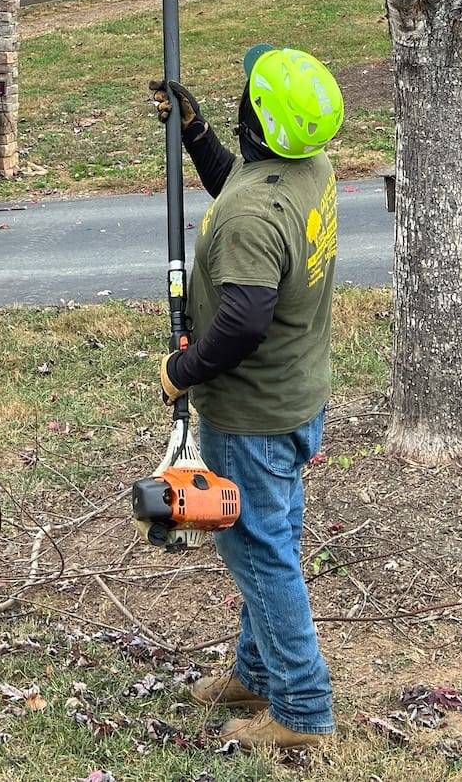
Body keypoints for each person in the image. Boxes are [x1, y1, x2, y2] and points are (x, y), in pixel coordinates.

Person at [150, 42, 345, 753]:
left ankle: (302, 709)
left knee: (260, 555)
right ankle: (254, 673)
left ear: (256, 117)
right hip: (297, 397)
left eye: (245, 91)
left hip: (252, 416)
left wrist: (183, 372)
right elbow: (242, 187)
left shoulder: (251, 222)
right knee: (273, 539)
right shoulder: (305, 170)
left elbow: (241, 320)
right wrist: (197, 136)